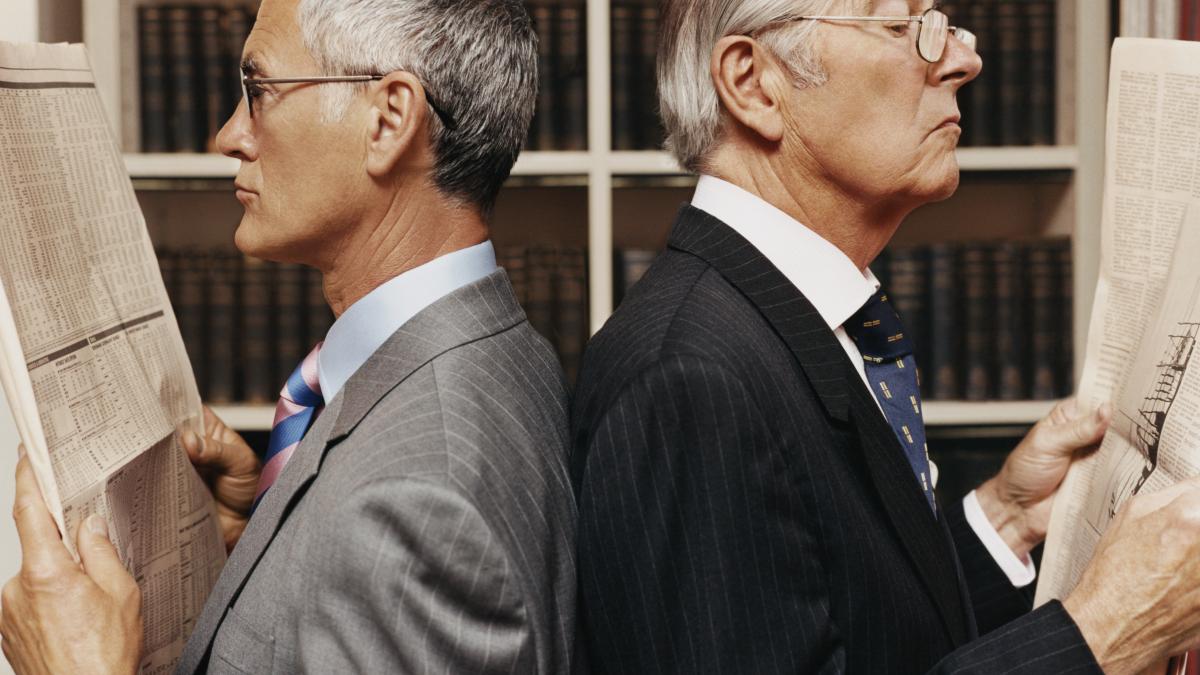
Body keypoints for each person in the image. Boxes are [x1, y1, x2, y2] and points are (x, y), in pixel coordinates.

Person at [571, 0, 1200, 673]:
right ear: (754, 83)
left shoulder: (781, 317)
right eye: (906, 29)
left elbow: (849, 623)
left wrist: (1004, 519)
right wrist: (1101, 633)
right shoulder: (689, 382)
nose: (965, 58)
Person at [0, 0, 578, 673]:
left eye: (259, 91)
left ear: (389, 119)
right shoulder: (500, 348)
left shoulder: (419, 502)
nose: (228, 136)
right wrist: (264, 548)